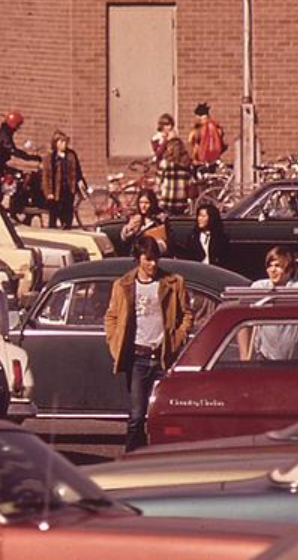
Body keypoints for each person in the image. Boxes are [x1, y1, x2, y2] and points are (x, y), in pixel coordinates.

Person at [104, 236, 194, 451]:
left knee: (163, 413)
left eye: (156, 259)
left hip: (163, 355)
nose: (153, 264)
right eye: (148, 259)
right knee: (136, 414)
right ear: (138, 259)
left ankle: (160, 454)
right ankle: (132, 456)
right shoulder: (123, 285)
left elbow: (186, 315)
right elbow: (111, 316)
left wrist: (177, 338)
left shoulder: (173, 282)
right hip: (137, 357)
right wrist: (114, 342)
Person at [237, 246, 298, 361]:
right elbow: (242, 321)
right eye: (270, 266)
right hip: (264, 359)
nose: (272, 270)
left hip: (296, 361)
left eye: (277, 266)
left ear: (290, 269)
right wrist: (244, 355)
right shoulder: (259, 288)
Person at [0, 110, 41, 204]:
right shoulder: (4, 135)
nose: (17, 128)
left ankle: (13, 201)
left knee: (16, 178)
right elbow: (12, 150)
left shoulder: (3, 133)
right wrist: (30, 157)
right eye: (18, 125)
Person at [40, 130, 87, 229]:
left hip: (68, 188)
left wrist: (80, 182)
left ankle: (66, 226)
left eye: (65, 142)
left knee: (68, 212)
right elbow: (46, 176)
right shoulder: (50, 157)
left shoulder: (71, 155)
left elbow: (77, 171)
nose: (64, 144)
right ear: (55, 143)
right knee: (54, 214)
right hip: (56, 190)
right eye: (61, 142)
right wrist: (48, 192)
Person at [179, 202, 230, 268]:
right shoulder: (193, 237)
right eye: (199, 216)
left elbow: (225, 258)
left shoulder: (220, 237)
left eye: (203, 216)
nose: (199, 219)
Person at [157, 137, 193, 215]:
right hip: (182, 201)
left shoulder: (165, 163)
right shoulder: (187, 164)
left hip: (166, 200)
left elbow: (159, 182)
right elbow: (190, 183)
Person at [187, 102, 227, 169]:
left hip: (202, 157)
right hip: (215, 157)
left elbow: (192, 140)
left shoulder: (199, 129)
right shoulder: (215, 126)